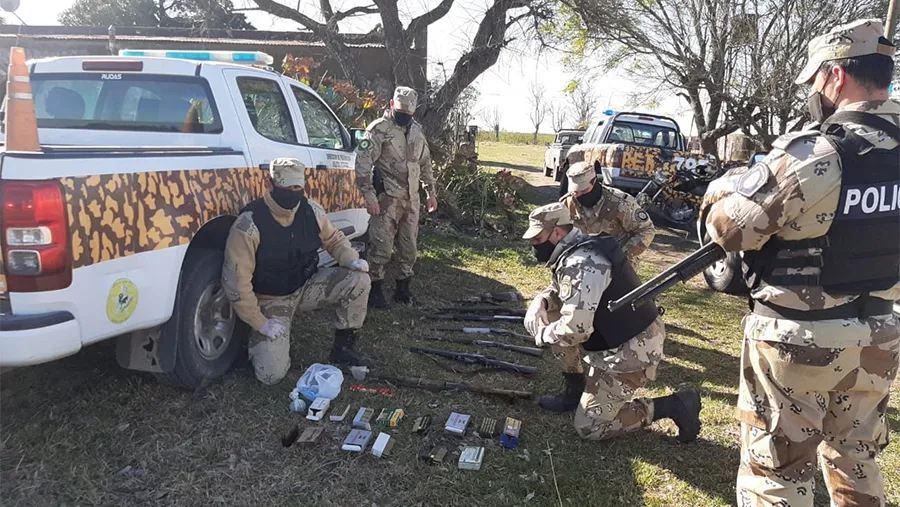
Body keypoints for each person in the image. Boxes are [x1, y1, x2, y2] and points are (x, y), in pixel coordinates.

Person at [699, 19, 899, 506]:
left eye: (815, 81)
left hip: (799, 341)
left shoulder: (817, 154)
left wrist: (724, 188)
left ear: (835, 77)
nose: (814, 92)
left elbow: (730, 229)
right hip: (878, 338)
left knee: (778, 474)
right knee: (856, 460)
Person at [523, 202, 701, 442]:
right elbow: (560, 291)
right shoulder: (578, 249)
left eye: (538, 238)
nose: (534, 245)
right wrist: (541, 302)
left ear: (556, 233)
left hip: (631, 353)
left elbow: (575, 330)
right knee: (551, 316)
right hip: (617, 339)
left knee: (590, 427)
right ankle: (576, 390)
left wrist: (541, 333)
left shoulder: (581, 263)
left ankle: (673, 406)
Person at [222, 158, 373, 385]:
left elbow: (334, 239)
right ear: (269, 184)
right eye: (285, 188)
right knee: (271, 376)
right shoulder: (249, 225)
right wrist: (260, 322)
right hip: (271, 300)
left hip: (305, 287)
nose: (292, 194)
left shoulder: (310, 211)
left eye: (297, 188)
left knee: (358, 279)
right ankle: (249, 339)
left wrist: (351, 259)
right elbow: (236, 282)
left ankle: (344, 348)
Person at [355, 86, 438, 308]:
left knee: (409, 247)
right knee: (381, 247)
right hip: (387, 199)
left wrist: (431, 192)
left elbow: (425, 163)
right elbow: (363, 164)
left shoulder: (417, 131)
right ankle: (374, 291)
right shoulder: (377, 129)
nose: (404, 116)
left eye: (409, 113)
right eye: (401, 111)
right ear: (392, 105)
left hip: (411, 200)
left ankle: (403, 290)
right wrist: (369, 197)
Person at [560, 162, 655, 269]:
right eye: (576, 192)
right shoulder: (567, 203)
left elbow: (646, 229)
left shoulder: (620, 203)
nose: (580, 195)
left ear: (594, 181)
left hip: (618, 265)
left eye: (584, 190)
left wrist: (622, 254)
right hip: (582, 264)